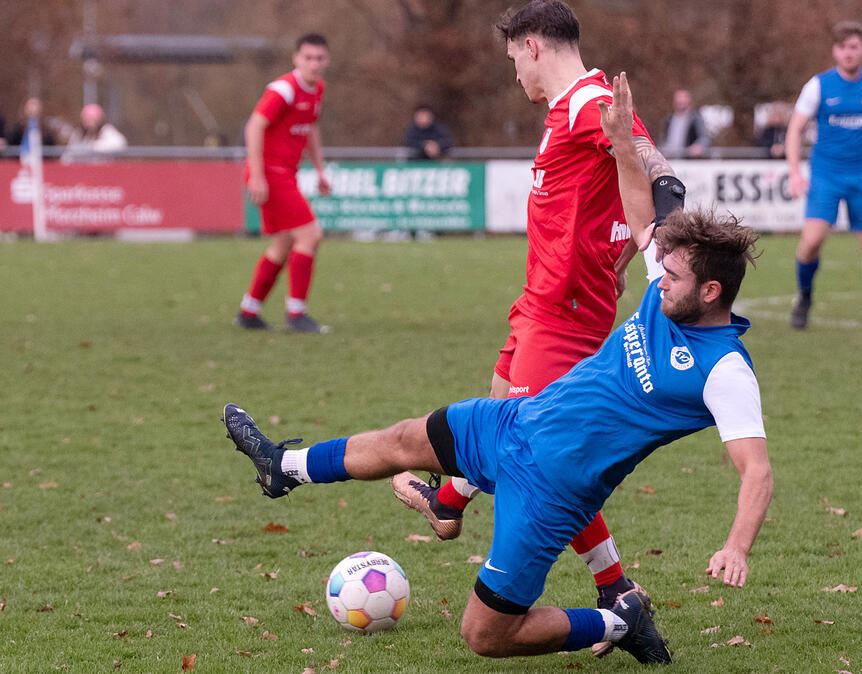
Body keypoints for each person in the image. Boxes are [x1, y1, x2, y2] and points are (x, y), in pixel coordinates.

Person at [222, 76, 771, 663]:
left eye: (677, 278)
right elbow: (642, 206)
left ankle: (617, 622)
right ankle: (283, 467)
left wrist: (736, 547)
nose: (659, 278)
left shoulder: (725, 371)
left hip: (552, 489)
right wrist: (620, 145)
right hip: (515, 422)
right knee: (405, 438)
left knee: (484, 636)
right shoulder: (672, 282)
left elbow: (756, 471)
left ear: (711, 291)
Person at [391, 0, 686, 640]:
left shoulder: (585, 101)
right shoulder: (567, 109)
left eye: (512, 62)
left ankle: (616, 592)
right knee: (504, 410)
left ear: (531, 47)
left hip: (567, 306)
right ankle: (449, 502)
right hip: (539, 298)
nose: (513, 77)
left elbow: (640, 150)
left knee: (535, 450)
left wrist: (663, 223)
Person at [785, 20, 862, 332]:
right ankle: (804, 298)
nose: (848, 53)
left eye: (854, 47)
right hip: (826, 174)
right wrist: (795, 172)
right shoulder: (819, 86)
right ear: (835, 51)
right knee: (811, 241)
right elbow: (795, 129)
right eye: (842, 48)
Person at [235, 33, 333, 333]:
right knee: (311, 235)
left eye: (319, 58)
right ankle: (296, 313)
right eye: (308, 58)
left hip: (285, 173)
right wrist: (258, 175)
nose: (314, 64)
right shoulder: (283, 90)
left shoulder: (317, 89)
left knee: (283, 243)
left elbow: (310, 129)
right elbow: (254, 126)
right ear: (296, 59)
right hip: (271, 173)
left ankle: (249, 310)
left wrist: (319, 170)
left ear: (326, 60)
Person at [659, 89, 710, 159]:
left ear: (689, 101)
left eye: (683, 99)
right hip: (670, 160)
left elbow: (704, 137)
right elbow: (663, 139)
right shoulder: (669, 120)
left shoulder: (695, 119)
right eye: (679, 99)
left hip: (687, 162)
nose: (681, 101)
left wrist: (699, 146)